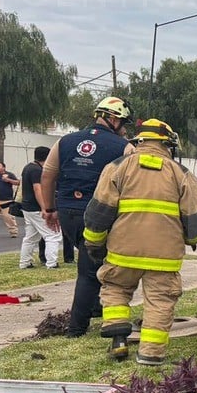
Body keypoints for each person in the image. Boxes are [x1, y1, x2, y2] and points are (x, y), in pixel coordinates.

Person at [84, 119, 197, 365]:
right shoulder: (182, 174)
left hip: (122, 251)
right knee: (160, 301)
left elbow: (99, 212)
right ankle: (151, 354)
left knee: (116, 289)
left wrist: (94, 243)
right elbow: (194, 218)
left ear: (139, 141)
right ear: (168, 144)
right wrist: (190, 240)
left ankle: (118, 340)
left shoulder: (117, 167)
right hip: (165, 256)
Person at [40, 96, 136, 338]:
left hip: (67, 211)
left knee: (90, 264)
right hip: (98, 215)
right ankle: (76, 328)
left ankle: (95, 308)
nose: (124, 128)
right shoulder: (123, 147)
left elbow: (48, 176)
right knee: (90, 273)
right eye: (123, 122)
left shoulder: (64, 141)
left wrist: (49, 209)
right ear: (112, 119)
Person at [18, 146, 62, 269]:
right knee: (53, 234)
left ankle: (25, 262)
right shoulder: (37, 170)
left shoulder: (28, 167)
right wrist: (45, 208)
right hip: (37, 208)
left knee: (31, 237)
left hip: (27, 208)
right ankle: (52, 263)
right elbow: (38, 189)